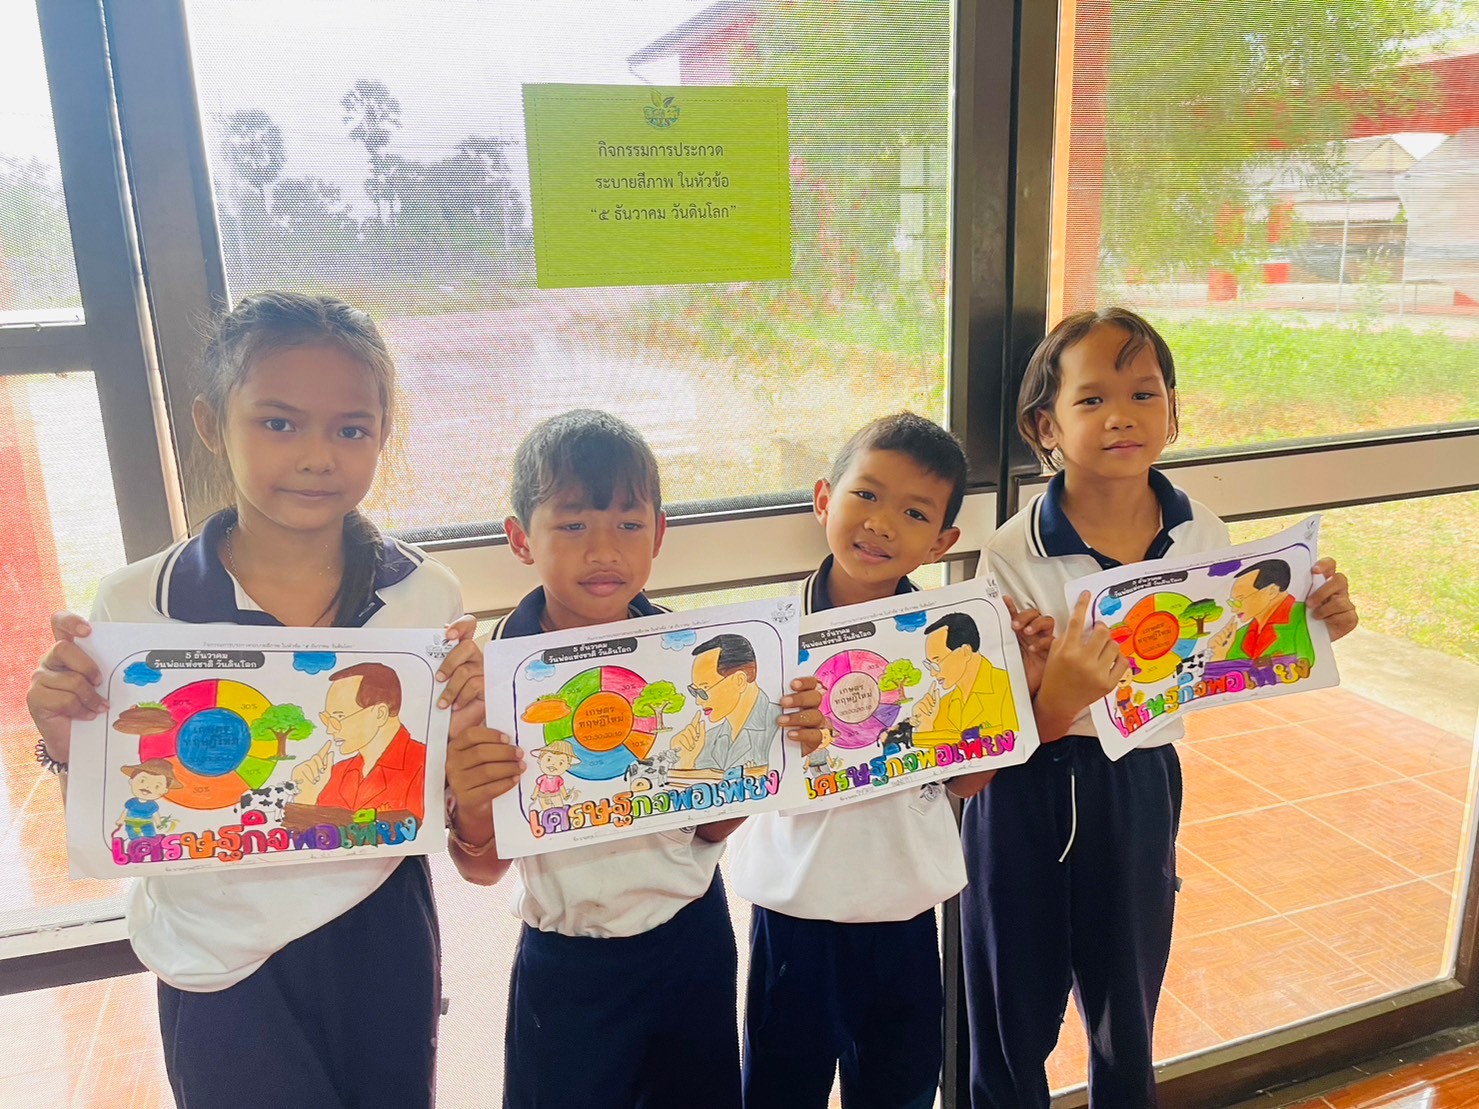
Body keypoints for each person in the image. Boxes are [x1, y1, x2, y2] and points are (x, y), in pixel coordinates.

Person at [24, 291, 489, 1109]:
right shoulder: (136, 603)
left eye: (351, 429)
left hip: (377, 927)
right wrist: (70, 743)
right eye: (279, 423)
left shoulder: (425, 593)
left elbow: (445, 795)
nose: (317, 456)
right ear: (212, 424)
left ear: (383, 433)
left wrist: (472, 744)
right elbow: (120, 819)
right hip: (215, 952)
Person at [962, 307, 1359, 1108]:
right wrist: (1046, 683)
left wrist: (1317, 618)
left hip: (1137, 781)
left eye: (1143, 394)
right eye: (1091, 399)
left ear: (1171, 412)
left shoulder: (1200, 531)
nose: (1121, 416)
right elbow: (992, 710)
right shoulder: (1011, 550)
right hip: (1022, 792)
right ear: (1045, 426)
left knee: (1127, 1002)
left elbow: (1231, 644)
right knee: (1010, 1011)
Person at [442, 409, 825, 1109]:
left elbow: (708, 825)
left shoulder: (691, 661)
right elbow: (481, 866)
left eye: (627, 523)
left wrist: (768, 753)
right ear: (520, 538)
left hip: (691, 938)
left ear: (659, 533)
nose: (603, 550)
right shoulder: (492, 679)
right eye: (572, 524)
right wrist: (470, 801)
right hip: (569, 964)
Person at [729, 413, 1050, 1109]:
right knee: (780, 1092)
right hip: (796, 915)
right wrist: (775, 732)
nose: (880, 524)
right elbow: (736, 773)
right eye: (867, 495)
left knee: (899, 1092)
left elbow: (968, 779)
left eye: (913, 512)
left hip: (905, 915)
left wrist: (1018, 685)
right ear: (824, 499)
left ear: (940, 543)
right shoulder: (765, 641)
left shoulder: (948, 640)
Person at [294, 661, 428, 822]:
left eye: (338, 717)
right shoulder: (334, 774)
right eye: (327, 719)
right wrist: (307, 798)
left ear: (379, 713)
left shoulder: (424, 764)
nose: (330, 729)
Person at [669, 633, 781, 779]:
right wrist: (686, 763)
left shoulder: (781, 723)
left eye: (704, 690)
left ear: (739, 681)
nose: (698, 701)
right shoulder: (706, 741)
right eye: (694, 691)